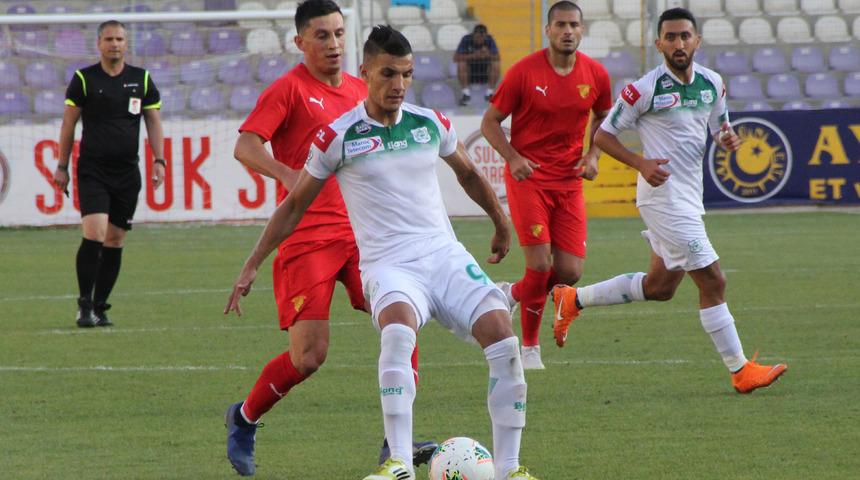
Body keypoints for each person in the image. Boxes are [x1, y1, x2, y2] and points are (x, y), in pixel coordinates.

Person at [226, 25, 539, 480]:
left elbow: (469, 174)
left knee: (504, 339)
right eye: (388, 74)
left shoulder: (430, 122)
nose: (398, 85)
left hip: (443, 254)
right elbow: (295, 203)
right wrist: (253, 262)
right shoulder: (338, 135)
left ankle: (510, 469)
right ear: (366, 72)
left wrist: (500, 222)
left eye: (407, 75)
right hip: (388, 264)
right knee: (393, 330)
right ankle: (397, 462)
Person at [223, 1, 434, 476]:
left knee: (403, 320)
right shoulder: (289, 91)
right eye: (322, 36)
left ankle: (394, 443)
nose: (333, 44)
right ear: (300, 42)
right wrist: (286, 172)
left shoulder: (365, 89)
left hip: (364, 235)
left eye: (339, 34)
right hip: (307, 239)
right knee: (309, 356)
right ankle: (244, 417)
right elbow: (245, 144)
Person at [552, 7, 788, 394]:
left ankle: (572, 299)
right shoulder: (645, 88)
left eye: (685, 36)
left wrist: (726, 138)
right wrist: (640, 163)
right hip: (664, 200)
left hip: (689, 198)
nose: (678, 44)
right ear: (659, 43)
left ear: (697, 41)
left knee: (661, 286)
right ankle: (739, 369)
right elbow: (604, 136)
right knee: (713, 279)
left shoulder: (712, 83)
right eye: (671, 37)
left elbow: (719, 127)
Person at [481, 1, 612, 369]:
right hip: (530, 179)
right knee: (540, 265)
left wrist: (593, 156)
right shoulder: (524, 73)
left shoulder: (597, 75)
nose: (567, 31)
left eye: (574, 25)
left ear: (582, 31)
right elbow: (490, 121)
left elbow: (604, 116)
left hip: (569, 182)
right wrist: (513, 157)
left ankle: (512, 293)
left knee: (570, 273)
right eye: (560, 25)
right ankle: (529, 347)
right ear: (548, 30)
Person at [52, 20, 165, 329]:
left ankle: (100, 306)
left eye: (119, 39)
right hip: (93, 170)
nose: (114, 44)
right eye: (109, 39)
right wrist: (62, 166)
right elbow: (68, 125)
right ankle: (84, 304)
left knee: (115, 239)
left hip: (128, 172)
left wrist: (160, 160)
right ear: (98, 44)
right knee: (96, 232)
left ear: (126, 44)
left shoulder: (141, 80)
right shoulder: (84, 80)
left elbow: (153, 121)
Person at [454, 24, 501, 106]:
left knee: (496, 64)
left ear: (485, 36)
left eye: (482, 38)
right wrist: (474, 55)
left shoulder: (489, 39)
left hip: (485, 70)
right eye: (478, 37)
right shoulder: (466, 39)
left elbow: (497, 57)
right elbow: (456, 58)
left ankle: (489, 93)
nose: (480, 40)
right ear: (473, 35)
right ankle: (466, 94)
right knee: (461, 64)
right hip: (470, 71)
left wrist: (487, 55)